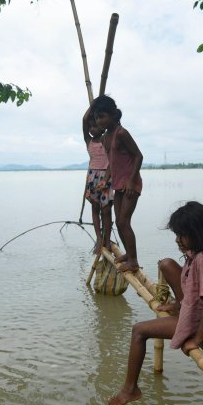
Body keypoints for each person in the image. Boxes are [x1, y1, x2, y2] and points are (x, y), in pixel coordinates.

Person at [107, 201, 203, 405]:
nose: (177, 240)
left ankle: (131, 389)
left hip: (201, 322)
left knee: (139, 331)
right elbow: (193, 286)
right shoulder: (202, 253)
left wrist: (198, 338)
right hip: (198, 312)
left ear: (196, 233)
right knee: (166, 263)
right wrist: (179, 303)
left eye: (181, 235)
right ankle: (179, 306)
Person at [91, 95, 143, 273]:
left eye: (102, 116)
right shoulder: (105, 138)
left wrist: (131, 180)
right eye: (97, 117)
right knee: (120, 223)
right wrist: (105, 181)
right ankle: (128, 254)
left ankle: (134, 260)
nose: (99, 120)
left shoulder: (122, 133)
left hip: (130, 183)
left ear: (113, 115)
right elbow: (112, 164)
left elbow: (138, 156)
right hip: (118, 185)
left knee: (123, 221)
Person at [82, 108, 113, 254]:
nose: (92, 129)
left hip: (105, 176)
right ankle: (99, 238)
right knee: (95, 209)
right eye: (90, 127)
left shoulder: (107, 138)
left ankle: (107, 240)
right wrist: (94, 106)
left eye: (95, 126)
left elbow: (112, 161)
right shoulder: (88, 140)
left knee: (106, 210)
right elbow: (83, 120)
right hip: (92, 176)